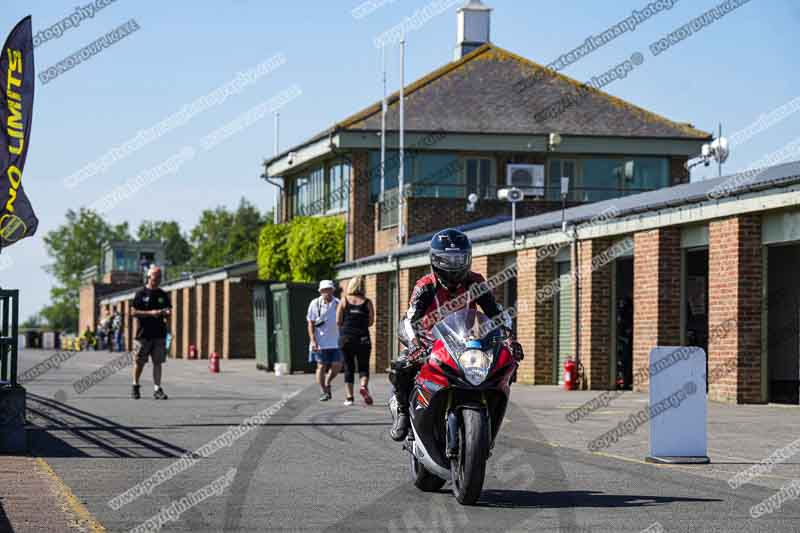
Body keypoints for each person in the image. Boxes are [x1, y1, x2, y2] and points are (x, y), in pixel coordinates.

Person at [389, 228, 524, 441]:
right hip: (429, 341)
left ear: (468, 258)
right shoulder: (425, 285)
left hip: (465, 340)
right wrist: (415, 343)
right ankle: (404, 412)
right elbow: (410, 319)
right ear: (435, 260)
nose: (453, 265)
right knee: (401, 365)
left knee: (507, 364)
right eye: (447, 259)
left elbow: (496, 313)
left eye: (459, 258)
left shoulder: (476, 282)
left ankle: (489, 414)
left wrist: (510, 339)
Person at [130, 265, 171, 400]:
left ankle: (157, 389)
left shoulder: (162, 294)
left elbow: (168, 310)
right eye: (156, 276)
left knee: (157, 362)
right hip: (143, 335)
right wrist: (150, 313)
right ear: (149, 277)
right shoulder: (141, 294)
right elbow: (133, 312)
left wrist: (167, 312)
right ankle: (135, 385)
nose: (158, 279)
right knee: (139, 362)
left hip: (159, 334)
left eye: (160, 276)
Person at [336, 276, 375, 406]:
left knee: (349, 367)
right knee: (363, 366)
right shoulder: (367, 302)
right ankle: (363, 386)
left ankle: (349, 398)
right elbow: (371, 322)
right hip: (363, 338)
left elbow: (338, 321)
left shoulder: (344, 301)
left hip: (346, 338)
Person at [307, 280, 343, 401]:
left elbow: (343, 321)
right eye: (324, 290)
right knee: (321, 366)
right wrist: (313, 340)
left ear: (333, 290)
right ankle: (323, 390)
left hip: (336, 341)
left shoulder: (338, 303)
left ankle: (328, 382)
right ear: (320, 291)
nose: (327, 292)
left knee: (337, 366)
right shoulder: (315, 303)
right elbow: (310, 323)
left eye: (329, 289)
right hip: (320, 342)